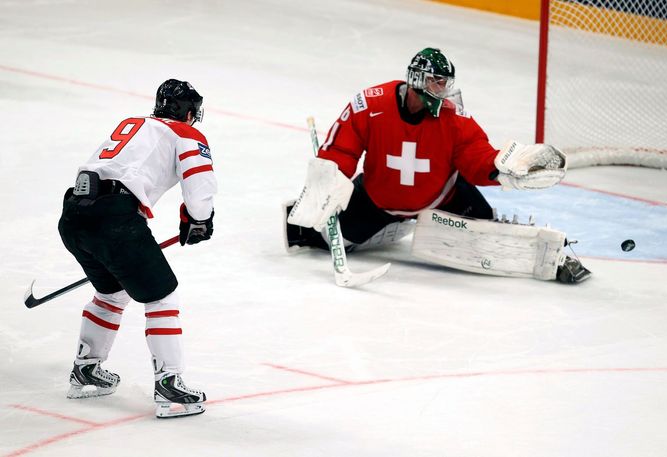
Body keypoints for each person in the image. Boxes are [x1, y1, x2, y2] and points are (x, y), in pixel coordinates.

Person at [285, 48, 590, 283]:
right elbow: (341, 147)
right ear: (417, 79)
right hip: (379, 200)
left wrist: (500, 169)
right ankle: (384, 224)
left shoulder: (453, 117)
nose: (442, 89)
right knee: (321, 235)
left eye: (445, 83)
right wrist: (330, 177)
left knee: (487, 233)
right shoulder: (371, 104)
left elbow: (476, 154)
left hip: (443, 198)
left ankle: (551, 259)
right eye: (436, 81)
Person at [57, 79, 217, 418]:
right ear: (189, 112)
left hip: (73, 214)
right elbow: (199, 190)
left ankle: (86, 369)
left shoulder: (134, 125)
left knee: (111, 294)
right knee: (162, 296)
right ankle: (169, 383)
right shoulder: (187, 134)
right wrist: (198, 219)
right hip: (114, 220)